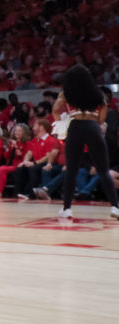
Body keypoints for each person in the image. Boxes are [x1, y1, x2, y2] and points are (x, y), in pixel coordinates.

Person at [53, 65, 119, 219]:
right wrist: (98, 122)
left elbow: (56, 109)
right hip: (93, 126)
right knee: (103, 170)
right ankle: (115, 206)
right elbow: (104, 108)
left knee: (71, 170)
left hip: (75, 126)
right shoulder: (96, 92)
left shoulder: (66, 92)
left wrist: (60, 124)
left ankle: (67, 208)